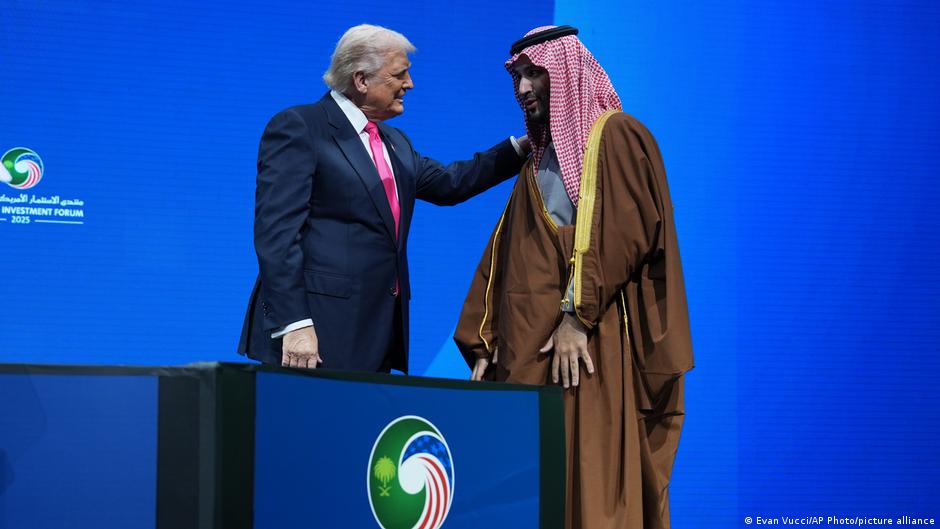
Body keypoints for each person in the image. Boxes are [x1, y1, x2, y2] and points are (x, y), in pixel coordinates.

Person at [454, 26, 693, 528]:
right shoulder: (537, 162)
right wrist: (484, 335)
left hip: (589, 350)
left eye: (533, 73)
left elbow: (622, 236)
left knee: (590, 479)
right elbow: (504, 251)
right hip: (529, 354)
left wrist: (576, 318)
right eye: (517, 77)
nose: (522, 88)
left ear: (565, 72)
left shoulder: (617, 137)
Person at [238, 24, 527, 372]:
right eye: (399, 74)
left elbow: (451, 183)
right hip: (315, 331)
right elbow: (277, 234)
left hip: (376, 331)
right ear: (361, 80)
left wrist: (521, 148)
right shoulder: (301, 127)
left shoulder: (395, 143)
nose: (410, 84)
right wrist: (294, 324)